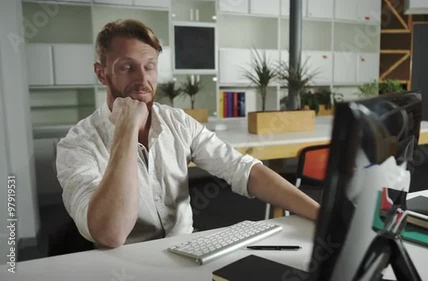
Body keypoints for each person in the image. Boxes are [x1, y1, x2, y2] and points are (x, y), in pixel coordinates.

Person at [56, 19, 319, 248]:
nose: (142, 78)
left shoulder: (177, 122)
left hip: (186, 255)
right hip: (125, 267)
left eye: (149, 66)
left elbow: (244, 170)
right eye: (127, 67)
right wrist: (125, 128)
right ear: (102, 73)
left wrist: (321, 215)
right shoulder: (77, 145)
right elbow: (110, 234)